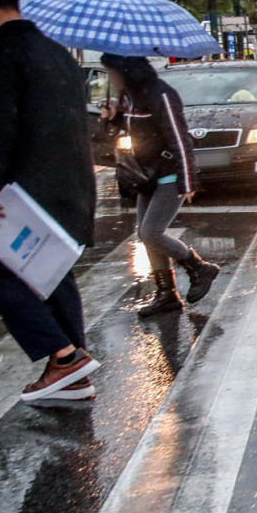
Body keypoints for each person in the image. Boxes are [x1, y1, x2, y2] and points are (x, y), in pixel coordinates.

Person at [0, 0, 99, 402]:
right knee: (51, 272)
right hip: (66, 187)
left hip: (19, 193)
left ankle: (65, 358)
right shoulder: (55, 51)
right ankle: (73, 373)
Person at [99, 54, 218, 317]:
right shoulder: (129, 97)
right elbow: (139, 132)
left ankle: (199, 268)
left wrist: (188, 180)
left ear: (126, 70)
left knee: (151, 232)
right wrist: (114, 117)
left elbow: (179, 138)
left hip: (168, 174)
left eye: (112, 72)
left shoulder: (162, 94)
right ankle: (167, 295)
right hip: (145, 176)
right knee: (144, 234)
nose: (111, 78)